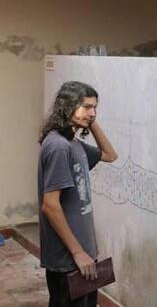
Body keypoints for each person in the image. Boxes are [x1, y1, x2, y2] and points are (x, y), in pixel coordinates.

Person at [38, 81, 118, 307]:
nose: (92, 113)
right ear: (67, 106)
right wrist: (79, 253)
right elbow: (50, 205)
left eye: (95, 108)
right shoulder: (58, 146)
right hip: (69, 258)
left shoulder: (73, 144)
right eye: (86, 107)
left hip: (81, 253)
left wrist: (90, 123)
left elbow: (110, 155)